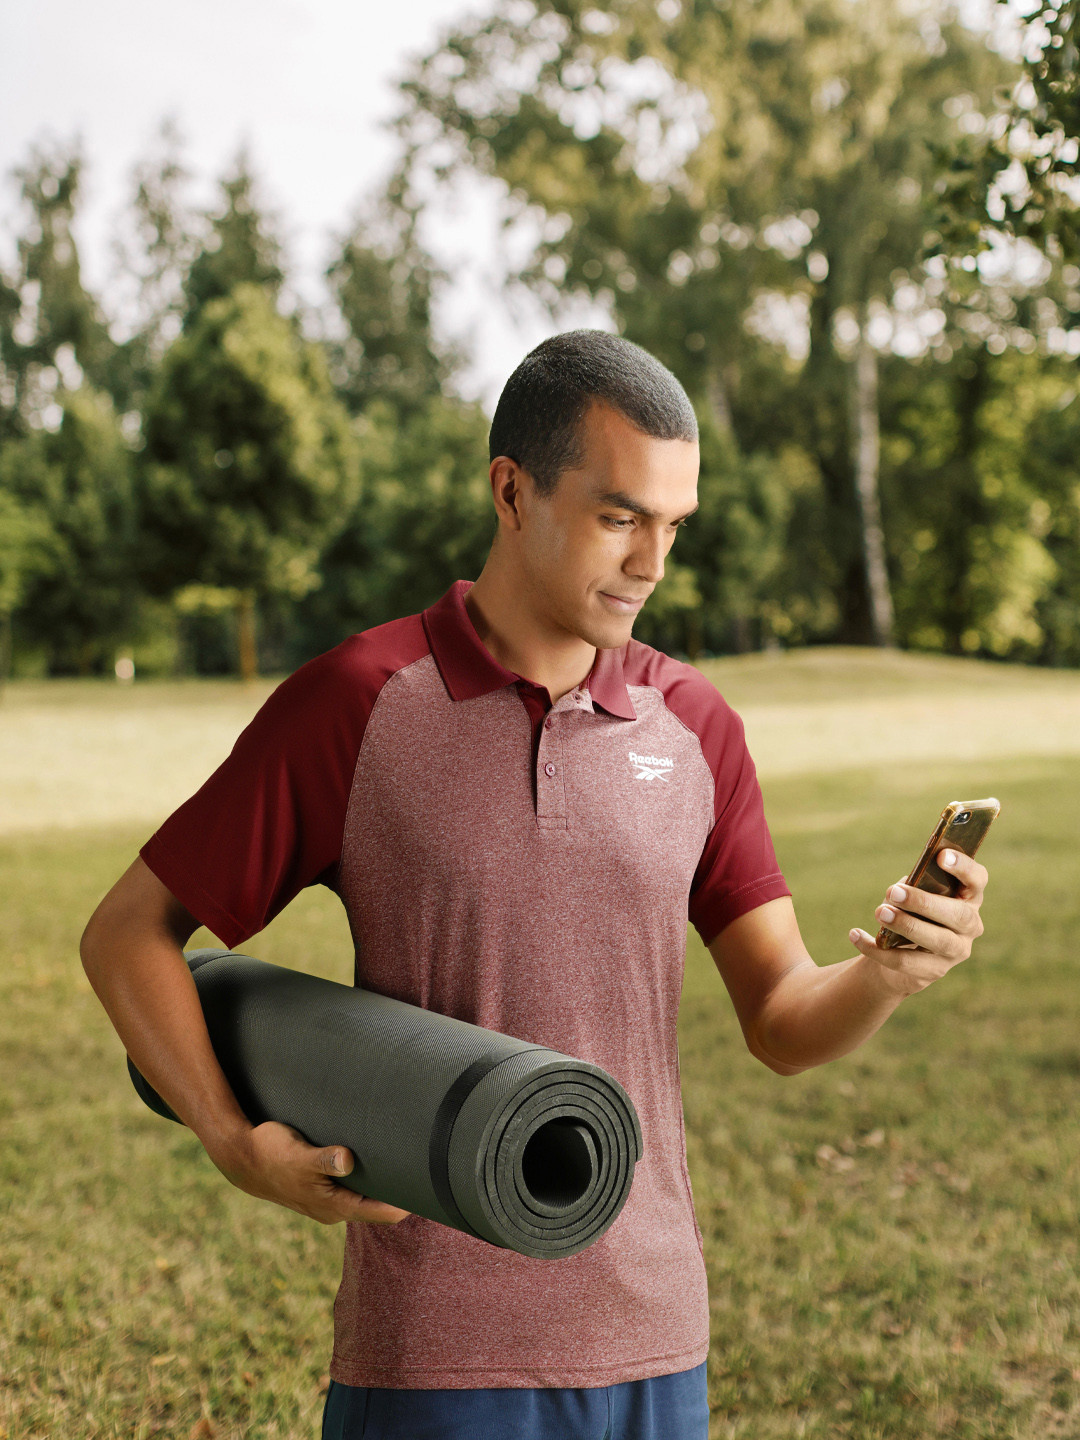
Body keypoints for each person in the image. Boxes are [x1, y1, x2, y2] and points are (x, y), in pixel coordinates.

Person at [80, 330, 989, 1440]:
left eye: (673, 525)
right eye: (620, 517)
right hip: (435, 1352)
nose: (653, 562)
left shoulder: (696, 726)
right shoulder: (358, 703)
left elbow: (783, 1021)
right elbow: (129, 933)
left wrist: (889, 972)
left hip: (656, 1336)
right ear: (511, 491)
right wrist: (233, 1143)